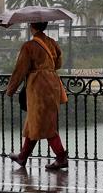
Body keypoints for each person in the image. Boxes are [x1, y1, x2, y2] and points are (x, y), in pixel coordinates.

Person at [6, 21, 68, 170]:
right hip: (53, 85)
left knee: (45, 123)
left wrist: (10, 89)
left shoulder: (29, 46)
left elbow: (20, 69)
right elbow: (58, 64)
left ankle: (61, 157)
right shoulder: (52, 42)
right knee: (35, 121)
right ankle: (22, 157)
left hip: (39, 88)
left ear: (31, 27)